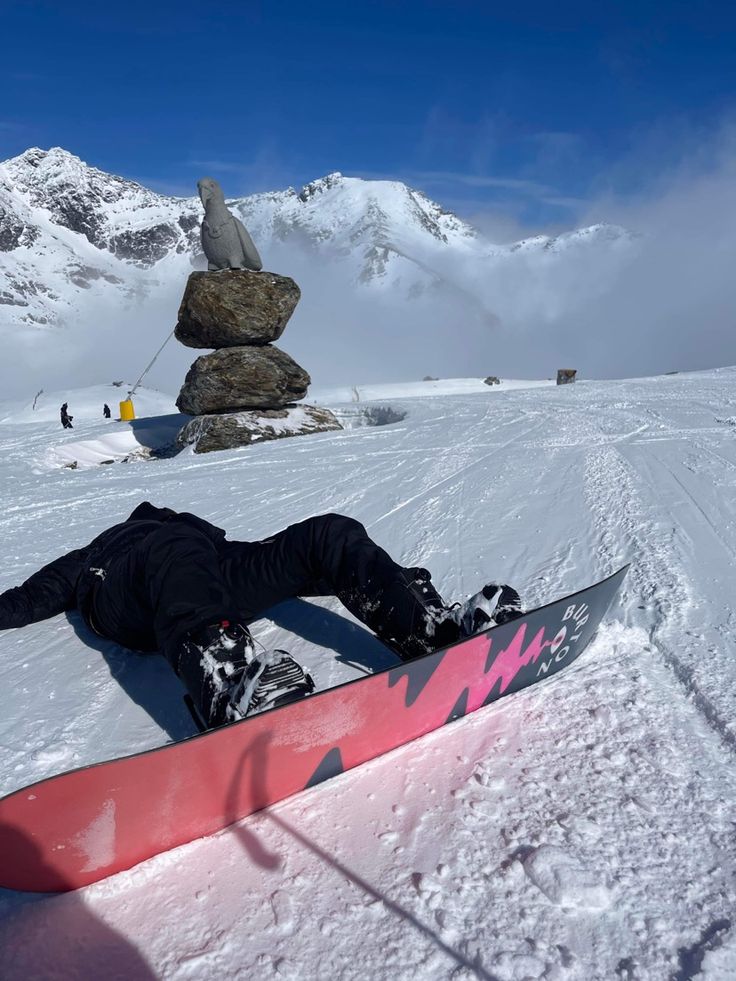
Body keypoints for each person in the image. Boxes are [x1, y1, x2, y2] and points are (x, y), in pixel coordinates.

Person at [0, 502, 522, 729]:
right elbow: (31, 596)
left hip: (201, 571)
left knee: (326, 533)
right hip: (123, 599)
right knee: (176, 547)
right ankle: (224, 685)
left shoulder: (187, 532)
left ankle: (432, 630)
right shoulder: (102, 549)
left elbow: (265, 562)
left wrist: (373, 575)